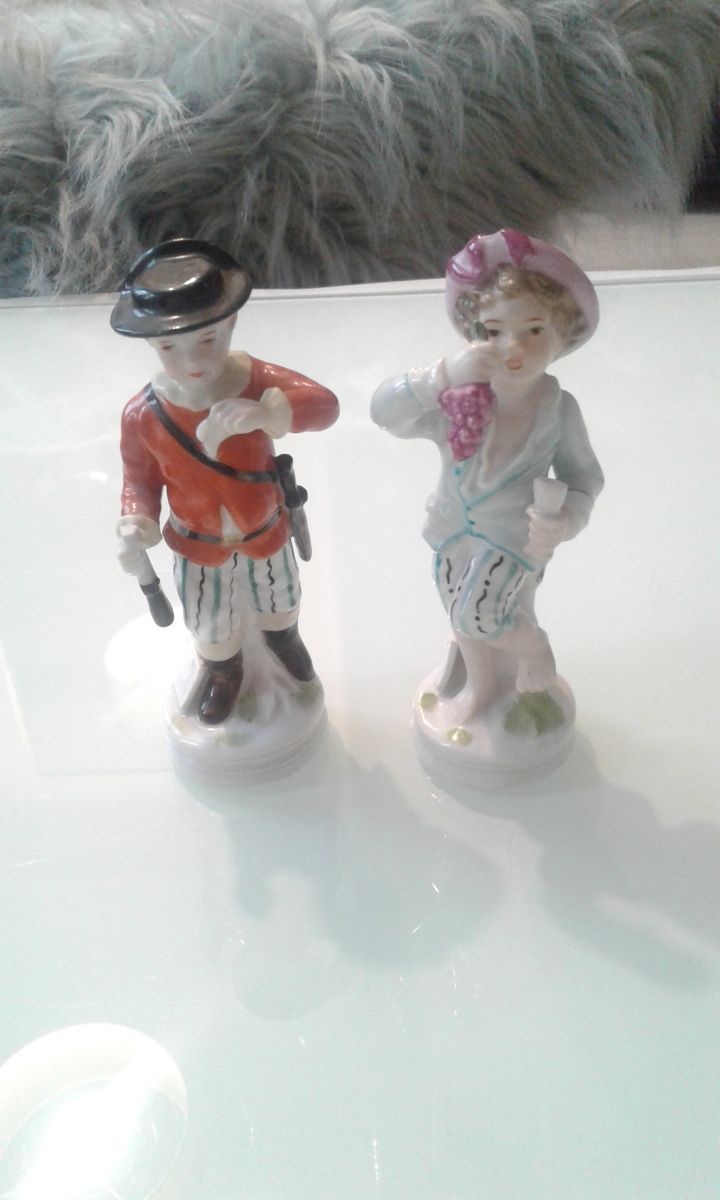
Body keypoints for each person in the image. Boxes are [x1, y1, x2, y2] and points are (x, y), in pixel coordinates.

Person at [371, 228, 604, 734]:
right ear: (473, 334)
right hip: (451, 529)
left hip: (513, 539)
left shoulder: (558, 409)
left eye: (534, 330)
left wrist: (566, 519)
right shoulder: (458, 398)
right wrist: (438, 377)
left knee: (477, 615)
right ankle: (479, 688)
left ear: (563, 334)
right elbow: (384, 412)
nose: (513, 348)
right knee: (460, 616)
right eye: (494, 331)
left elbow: (584, 477)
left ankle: (534, 650)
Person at [112, 238, 339, 725]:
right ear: (152, 344)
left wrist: (268, 413)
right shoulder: (142, 414)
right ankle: (222, 670)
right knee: (209, 618)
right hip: (199, 541)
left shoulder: (255, 380)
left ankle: (285, 640)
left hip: (264, 527)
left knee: (280, 596)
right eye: (170, 347)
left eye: (207, 340)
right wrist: (136, 520)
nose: (192, 361)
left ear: (230, 324)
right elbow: (139, 478)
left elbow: (325, 406)